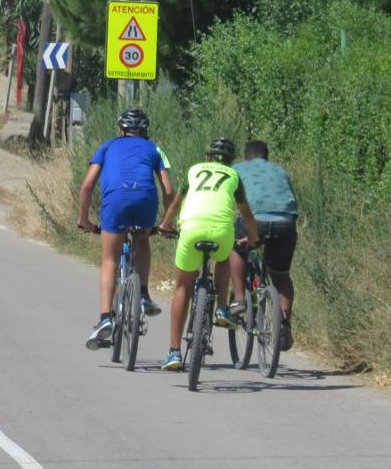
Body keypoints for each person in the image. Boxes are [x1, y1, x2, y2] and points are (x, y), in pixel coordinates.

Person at [157, 137, 258, 371]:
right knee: (222, 257)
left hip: (191, 229)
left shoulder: (194, 171)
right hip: (222, 231)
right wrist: (253, 238)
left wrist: (165, 225)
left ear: (207, 157)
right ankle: (222, 307)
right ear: (231, 162)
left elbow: (176, 204)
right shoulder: (233, 177)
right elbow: (247, 214)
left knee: (182, 288)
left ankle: (173, 352)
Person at [77, 108, 175, 350]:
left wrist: (84, 220)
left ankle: (105, 319)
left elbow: (87, 185)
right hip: (145, 200)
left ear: (120, 130)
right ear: (145, 131)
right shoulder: (154, 148)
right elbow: (168, 189)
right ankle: (142, 293)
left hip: (116, 201)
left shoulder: (108, 146)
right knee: (142, 241)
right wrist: (166, 222)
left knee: (110, 259)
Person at [229, 140, 299, 350]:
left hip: (255, 221)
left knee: (238, 250)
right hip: (285, 223)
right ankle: (284, 324)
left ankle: (240, 298)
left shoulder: (237, 169)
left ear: (246, 156)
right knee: (281, 273)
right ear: (266, 156)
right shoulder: (280, 171)